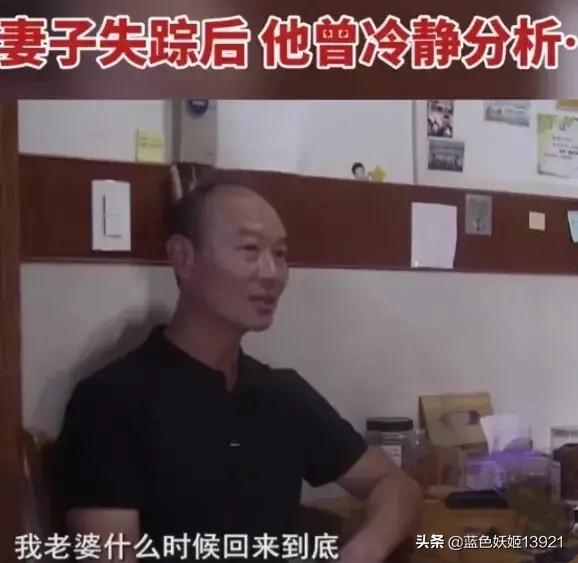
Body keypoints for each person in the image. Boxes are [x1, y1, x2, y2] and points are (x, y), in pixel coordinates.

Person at [55, 183, 422, 562]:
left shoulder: (282, 394)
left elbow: (396, 485)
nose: (272, 273)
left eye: (280, 254)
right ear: (183, 258)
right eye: (250, 250)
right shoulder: (110, 401)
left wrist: (365, 549)